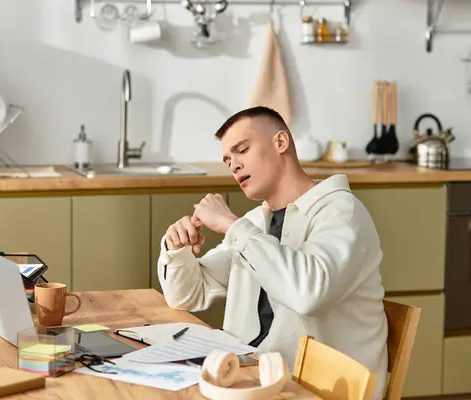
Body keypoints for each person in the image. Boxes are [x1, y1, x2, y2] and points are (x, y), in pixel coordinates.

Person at [156, 106, 388, 399]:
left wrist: (231, 225)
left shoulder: (342, 212)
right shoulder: (256, 222)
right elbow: (188, 294)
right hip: (255, 381)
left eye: (242, 150)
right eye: (228, 160)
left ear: (280, 143)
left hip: (322, 390)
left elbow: (308, 294)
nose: (234, 166)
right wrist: (177, 250)